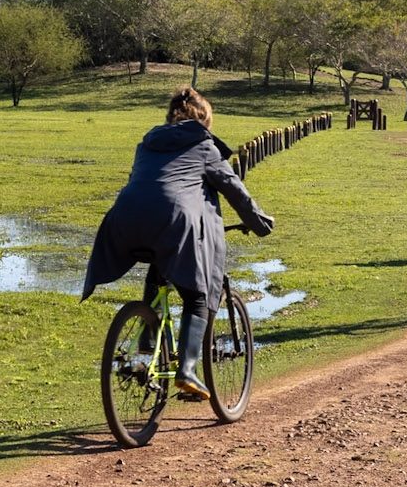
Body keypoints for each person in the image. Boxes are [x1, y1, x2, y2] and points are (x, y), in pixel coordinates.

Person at [82, 88, 274, 399]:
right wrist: (259, 222)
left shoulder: (147, 144)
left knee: (158, 268)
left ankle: (145, 340)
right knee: (196, 295)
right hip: (173, 219)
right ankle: (187, 371)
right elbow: (231, 187)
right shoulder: (204, 146)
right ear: (203, 120)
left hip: (125, 217)